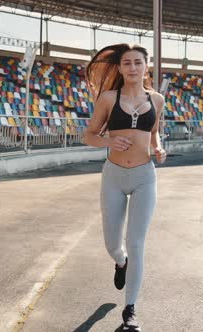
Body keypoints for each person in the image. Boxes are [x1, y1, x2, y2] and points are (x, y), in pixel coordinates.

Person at [82, 43, 167, 331]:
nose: (132, 67)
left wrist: (159, 148)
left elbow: (155, 134)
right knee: (112, 244)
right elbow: (89, 135)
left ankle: (130, 311)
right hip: (114, 176)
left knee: (137, 243)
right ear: (120, 67)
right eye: (127, 63)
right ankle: (121, 263)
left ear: (146, 66)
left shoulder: (157, 100)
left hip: (145, 176)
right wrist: (108, 141)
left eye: (138, 62)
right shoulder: (108, 98)